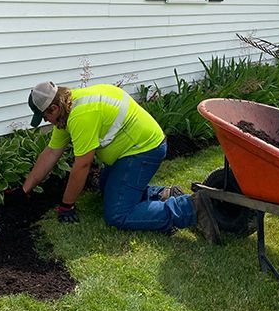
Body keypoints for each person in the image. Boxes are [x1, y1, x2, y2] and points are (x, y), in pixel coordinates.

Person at [13, 81, 220, 243]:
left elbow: (82, 165)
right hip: (129, 151)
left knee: (118, 214)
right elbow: (50, 153)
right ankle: (163, 194)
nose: (46, 122)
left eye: (44, 117)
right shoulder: (68, 110)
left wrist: (67, 205)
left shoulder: (80, 115)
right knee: (107, 187)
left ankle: (190, 208)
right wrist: (24, 191)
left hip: (143, 151)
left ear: (54, 108)